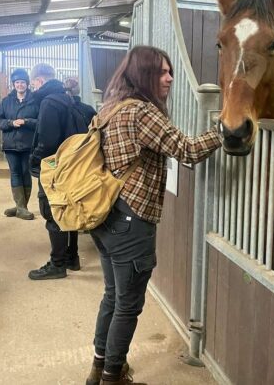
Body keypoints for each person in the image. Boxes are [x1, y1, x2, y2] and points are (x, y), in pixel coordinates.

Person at [85, 46, 222, 385]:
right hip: (132, 221)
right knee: (128, 306)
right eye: (162, 72)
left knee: (112, 296)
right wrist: (225, 130)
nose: (170, 78)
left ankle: (98, 368)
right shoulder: (142, 112)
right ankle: (112, 377)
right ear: (143, 74)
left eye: (170, 71)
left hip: (106, 216)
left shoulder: (109, 108)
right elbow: (188, 149)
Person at [28, 64, 95, 280]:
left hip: (54, 166)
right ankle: (71, 256)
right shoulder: (67, 100)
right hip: (71, 164)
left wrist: (35, 160)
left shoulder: (49, 102)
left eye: (32, 83)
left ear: (38, 80)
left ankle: (57, 264)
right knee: (67, 207)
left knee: (52, 212)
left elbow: (47, 141)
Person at [0, 68, 38, 220]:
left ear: (27, 84)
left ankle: (22, 207)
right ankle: (20, 206)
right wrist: (11, 123)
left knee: (26, 172)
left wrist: (26, 121)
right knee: (15, 173)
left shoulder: (35, 100)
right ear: (13, 84)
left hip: (28, 144)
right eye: (17, 82)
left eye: (23, 82)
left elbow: (41, 121)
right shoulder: (6, 101)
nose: (20, 85)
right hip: (11, 144)